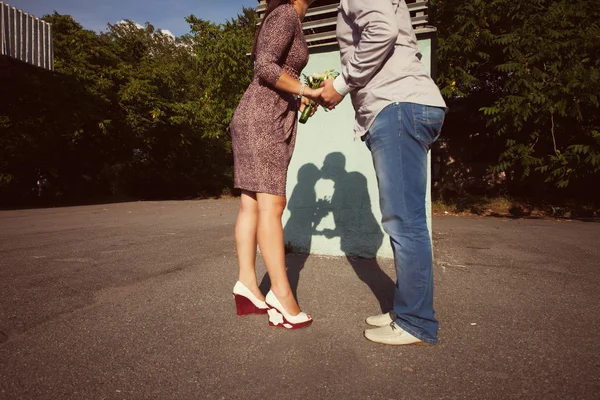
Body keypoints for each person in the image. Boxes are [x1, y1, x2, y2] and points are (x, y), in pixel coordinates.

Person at [319, 0, 447, 345]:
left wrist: (342, 83)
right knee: (404, 219)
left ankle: (416, 322)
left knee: (405, 221)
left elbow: (383, 31)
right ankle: (407, 309)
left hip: (397, 104)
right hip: (403, 104)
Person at [229, 0, 320, 330]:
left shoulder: (289, 17)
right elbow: (265, 67)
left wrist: (301, 95)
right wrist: (308, 89)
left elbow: (278, 70)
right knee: (272, 204)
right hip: (262, 118)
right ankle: (281, 297)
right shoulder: (285, 14)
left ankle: (247, 284)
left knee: (251, 204)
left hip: (260, 115)